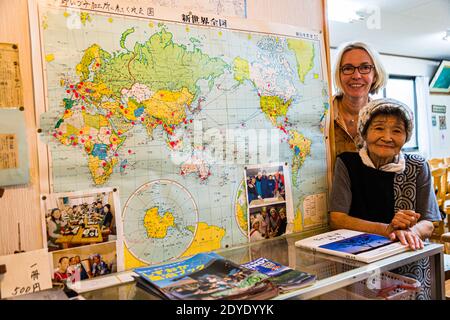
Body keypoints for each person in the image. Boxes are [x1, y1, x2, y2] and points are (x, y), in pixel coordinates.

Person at [329, 98, 441, 300]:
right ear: (364, 133)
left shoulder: (417, 166)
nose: (387, 137)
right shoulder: (347, 163)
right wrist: (387, 229)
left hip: (408, 262)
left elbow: (430, 222)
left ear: (406, 137)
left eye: (397, 131)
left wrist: (410, 232)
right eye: (379, 128)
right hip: (360, 266)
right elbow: (337, 218)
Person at [332, 41, 388, 158]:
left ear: (375, 75)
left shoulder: (386, 118)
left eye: (365, 67)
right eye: (348, 68)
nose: (356, 76)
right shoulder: (321, 114)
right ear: (339, 75)